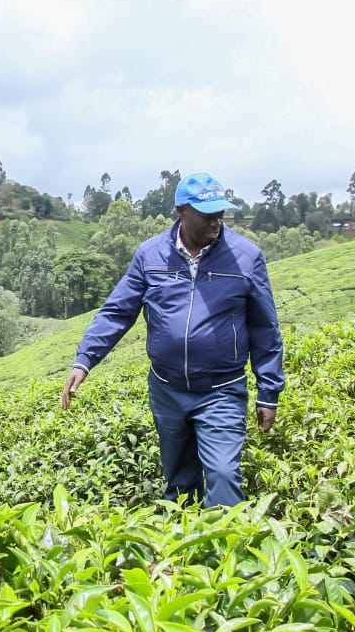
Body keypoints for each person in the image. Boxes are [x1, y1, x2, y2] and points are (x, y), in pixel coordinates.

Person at [60, 172, 284, 507]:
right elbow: (118, 311)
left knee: (223, 478)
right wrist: (85, 359)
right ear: (182, 210)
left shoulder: (246, 257)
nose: (216, 221)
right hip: (167, 390)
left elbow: (265, 328)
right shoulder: (150, 256)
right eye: (207, 214)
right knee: (179, 483)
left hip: (221, 390)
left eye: (220, 213)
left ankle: (223, 555)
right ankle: (184, 552)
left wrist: (269, 393)